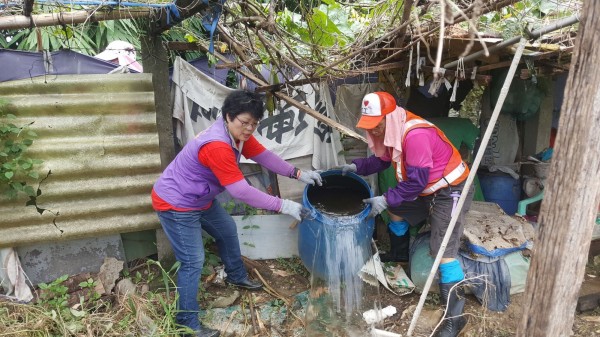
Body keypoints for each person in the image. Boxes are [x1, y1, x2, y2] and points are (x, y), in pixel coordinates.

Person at [152, 90, 322, 337]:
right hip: (177, 203)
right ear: (228, 117)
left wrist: (297, 173)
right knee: (193, 260)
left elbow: (263, 155)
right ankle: (186, 324)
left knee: (227, 230)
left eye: (254, 124)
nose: (249, 128)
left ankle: (236, 276)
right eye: (244, 123)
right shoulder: (218, 146)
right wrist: (284, 205)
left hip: (201, 197)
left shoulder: (238, 136)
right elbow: (240, 190)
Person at [341, 91, 473, 337]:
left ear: (389, 117)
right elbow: (382, 161)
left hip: (450, 190)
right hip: (428, 190)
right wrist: (355, 167)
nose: (375, 131)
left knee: (443, 248)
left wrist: (383, 198)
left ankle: (455, 319)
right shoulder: (394, 129)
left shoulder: (416, 135)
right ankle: (399, 255)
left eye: (377, 125)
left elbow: (416, 182)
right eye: (370, 126)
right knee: (396, 208)